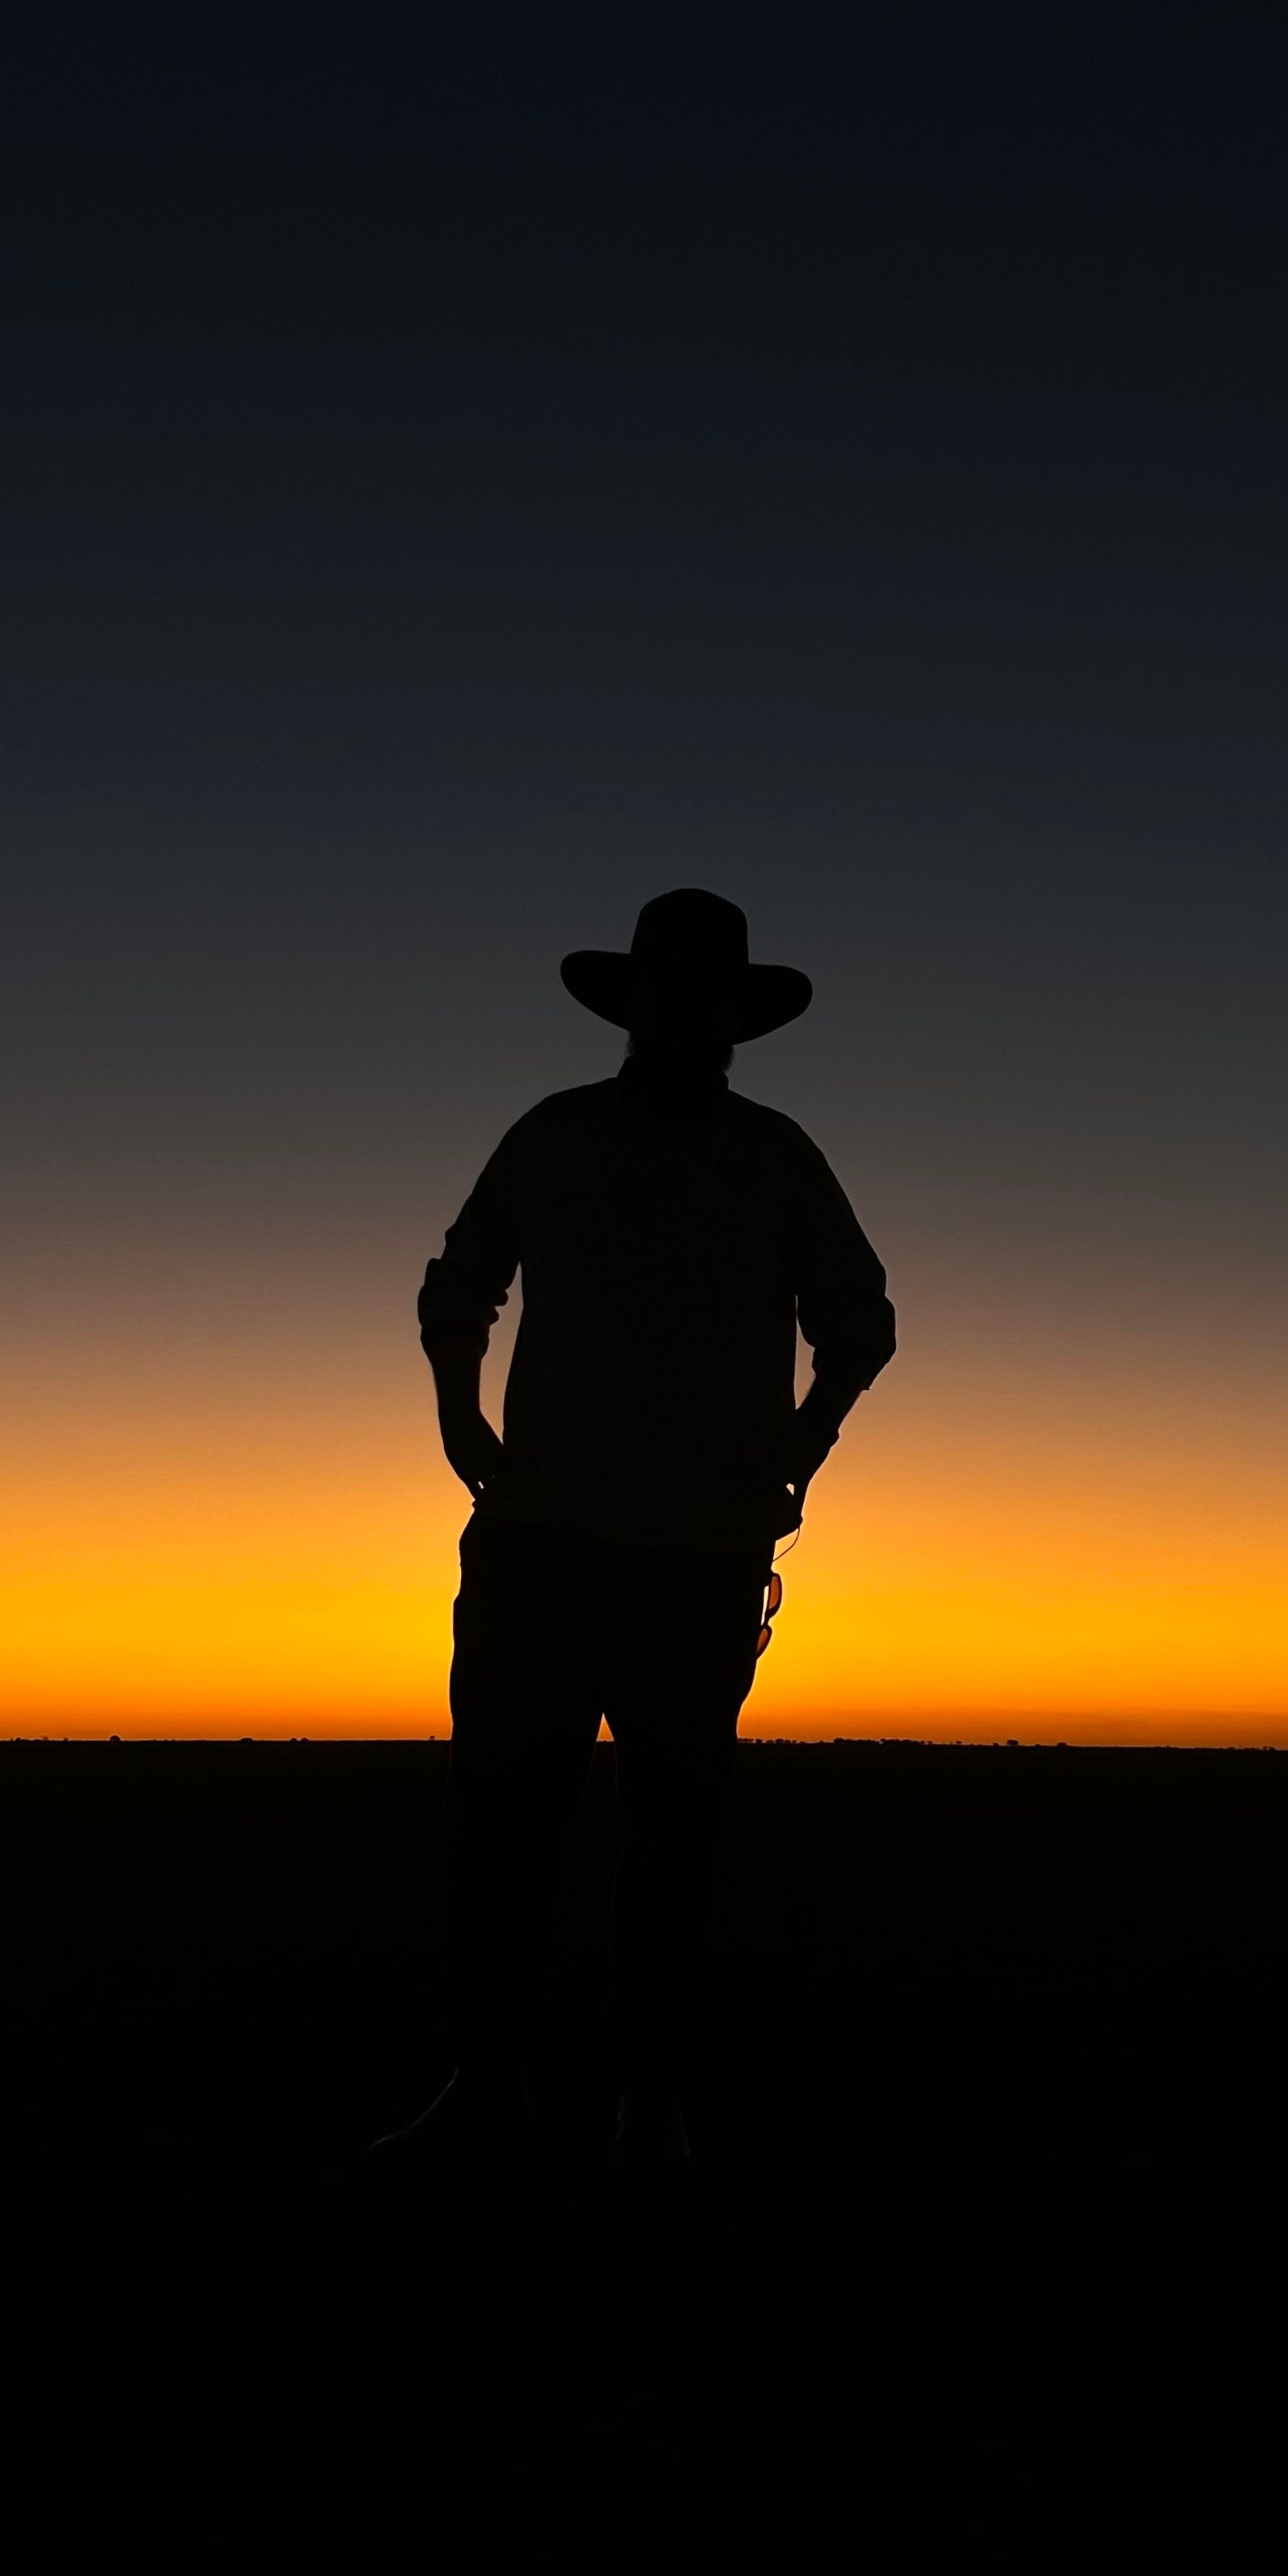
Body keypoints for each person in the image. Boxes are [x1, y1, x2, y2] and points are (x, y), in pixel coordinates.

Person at [374, 888, 897, 2184]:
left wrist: (801, 1443)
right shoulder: (556, 1137)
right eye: (670, 996)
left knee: (671, 1850)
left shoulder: (774, 1158)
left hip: (697, 1564)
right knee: (502, 1834)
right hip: (542, 1546)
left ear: (732, 1020)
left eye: (707, 1003)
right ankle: (487, 2090)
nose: (688, 1023)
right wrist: (454, 1410)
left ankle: (645, 2109)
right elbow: (460, 1279)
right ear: (638, 1005)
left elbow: (861, 1321)